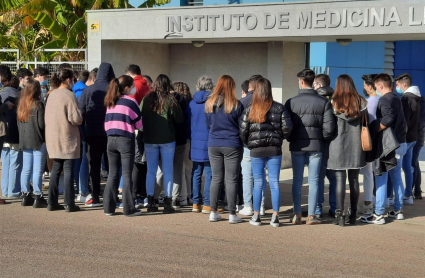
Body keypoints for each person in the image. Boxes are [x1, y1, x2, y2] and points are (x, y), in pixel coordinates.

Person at [240, 78, 292, 227]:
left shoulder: (250, 109)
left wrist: (249, 143)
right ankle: (275, 217)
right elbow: (287, 128)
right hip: (274, 149)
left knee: (258, 182)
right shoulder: (280, 108)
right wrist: (279, 138)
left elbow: (243, 131)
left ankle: (256, 216)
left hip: (256, 149)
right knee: (274, 182)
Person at [285, 69, 335, 225]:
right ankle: (312, 215)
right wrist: (321, 139)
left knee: (297, 180)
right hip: (317, 146)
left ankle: (297, 214)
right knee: (314, 181)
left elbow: (286, 126)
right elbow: (329, 128)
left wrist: (290, 138)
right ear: (313, 82)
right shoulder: (324, 102)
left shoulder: (291, 102)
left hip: (298, 146)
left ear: (301, 81)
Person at [363, 73, 407, 225]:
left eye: (376, 87)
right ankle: (398, 210)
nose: (377, 90)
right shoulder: (396, 98)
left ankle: (379, 214)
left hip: (388, 145)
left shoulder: (385, 99)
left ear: (381, 86)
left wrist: (375, 130)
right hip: (400, 142)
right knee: (396, 177)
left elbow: (387, 118)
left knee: (380, 176)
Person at [327, 74, 367, 226]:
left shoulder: (333, 102)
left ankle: (340, 215)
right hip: (356, 144)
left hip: (337, 144)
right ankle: (354, 213)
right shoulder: (361, 101)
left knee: (339, 180)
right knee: (354, 179)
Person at [140, 74, 183, 214]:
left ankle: (151, 201)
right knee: (168, 170)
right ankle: (168, 202)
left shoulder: (146, 99)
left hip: (150, 139)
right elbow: (179, 119)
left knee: (151, 171)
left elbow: (140, 117)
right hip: (168, 139)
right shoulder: (171, 100)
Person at [205, 75, 244, 224]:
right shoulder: (236, 104)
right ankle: (232, 213)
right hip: (232, 143)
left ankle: (213, 211)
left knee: (216, 178)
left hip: (214, 143)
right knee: (231, 179)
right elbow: (241, 126)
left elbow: (208, 125)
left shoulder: (209, 103)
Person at [103, 75, 143, 217]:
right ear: (126, 88)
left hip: (110, 139)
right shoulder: (131, 102)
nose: (133, 89)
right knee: (127, 174)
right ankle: (129, 208)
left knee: (112, 174)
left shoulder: (110, 101)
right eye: (132, 86)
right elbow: (139, 123)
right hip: (125, 139)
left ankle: (108, 208)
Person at [45, 69, 83, 212]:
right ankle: (69, 203)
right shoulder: (69, 95)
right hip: (67, 137)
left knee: (55, 169)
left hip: (53, 137)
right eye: (72, 78)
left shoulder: (51, 94)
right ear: (68, 80)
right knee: (68, 170)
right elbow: (76, 119)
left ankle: (52, 202)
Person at [79, 63, 116, 207]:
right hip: (110, 134)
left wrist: (84, 131)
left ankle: (95, 196)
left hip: (92, 133)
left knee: (94, 166)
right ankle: (112, 196)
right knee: (112, 167)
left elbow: (80, 112)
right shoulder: (113, 90)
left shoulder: (88, 91)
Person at [17, 79, 48, 208]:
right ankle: (37, 195)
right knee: (37, 169)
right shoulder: (38, 105)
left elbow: (19, 124)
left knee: (26, 168)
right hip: (37, 139)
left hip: (25, 139)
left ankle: (25, 194)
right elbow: (42, 124)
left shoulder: (22, 105)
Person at [239, 74, 266, 217]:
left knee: (247, 176)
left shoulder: (242, 102)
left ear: (250, 86)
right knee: (261, 176)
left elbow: (240, 126)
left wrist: (244, 140)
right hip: (265, 144)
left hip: (248, 144)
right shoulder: (269, 102)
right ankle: (260, 205)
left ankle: (248, 205)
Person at [186, 76, 214, 213]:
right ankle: (208, 203)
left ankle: (196, 203)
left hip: (195, 141)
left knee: (196, 173)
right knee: (209, 173)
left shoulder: (191, 103)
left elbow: (187, 123)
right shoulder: (212, 103)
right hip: (210, 141)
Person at [313, 73, 337, 218]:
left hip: (321, 144)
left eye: (315, 84)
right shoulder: (337, 98)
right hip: (335, 145)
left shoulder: (317, 100)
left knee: (318, 177)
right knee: (334, 179)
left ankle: (317, 209)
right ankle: (335, 208)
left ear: (319, 85)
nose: (313, 87)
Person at [395, 73, 421, 205]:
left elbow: (403, 121)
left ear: (404, 84)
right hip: (413, 137)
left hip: (405, 139)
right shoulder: (417, 98)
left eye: (397, 85)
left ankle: (399, 197)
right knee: (408, 167)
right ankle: (408, 194)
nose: (396, 87)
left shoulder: (405, 99)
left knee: (398, 168)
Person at [358, 74, 379, 217]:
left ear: (370, 87)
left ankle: (367, 202)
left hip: (369, 142)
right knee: (376, 173)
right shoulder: (383, 99)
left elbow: (367, 124)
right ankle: (377, 200)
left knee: (367, 173)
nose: (364, 88)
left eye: (365, 86)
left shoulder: (370, 102)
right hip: (380, 141)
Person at [170, 81, 192, 208]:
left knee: (179, 169)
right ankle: (190, 195)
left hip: (176, 138)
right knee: (189, 169)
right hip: (188, 137)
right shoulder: (189, 101)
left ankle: (182, 197)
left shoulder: (173, 100)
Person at [0, 66, 20, 202]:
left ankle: (5, 189)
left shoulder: (2, 93)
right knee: (15, 161)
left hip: (3, 131)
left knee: (5, 161)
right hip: (13, 132)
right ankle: (13, 190)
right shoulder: (18, 95)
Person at [412, 95, 425, 199]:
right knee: (415, 163)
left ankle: (414, 191)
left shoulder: (419, 107)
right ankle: (417, 190)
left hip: (415, 138)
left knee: (412, 164)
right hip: (419, 138)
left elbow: (419, 123)